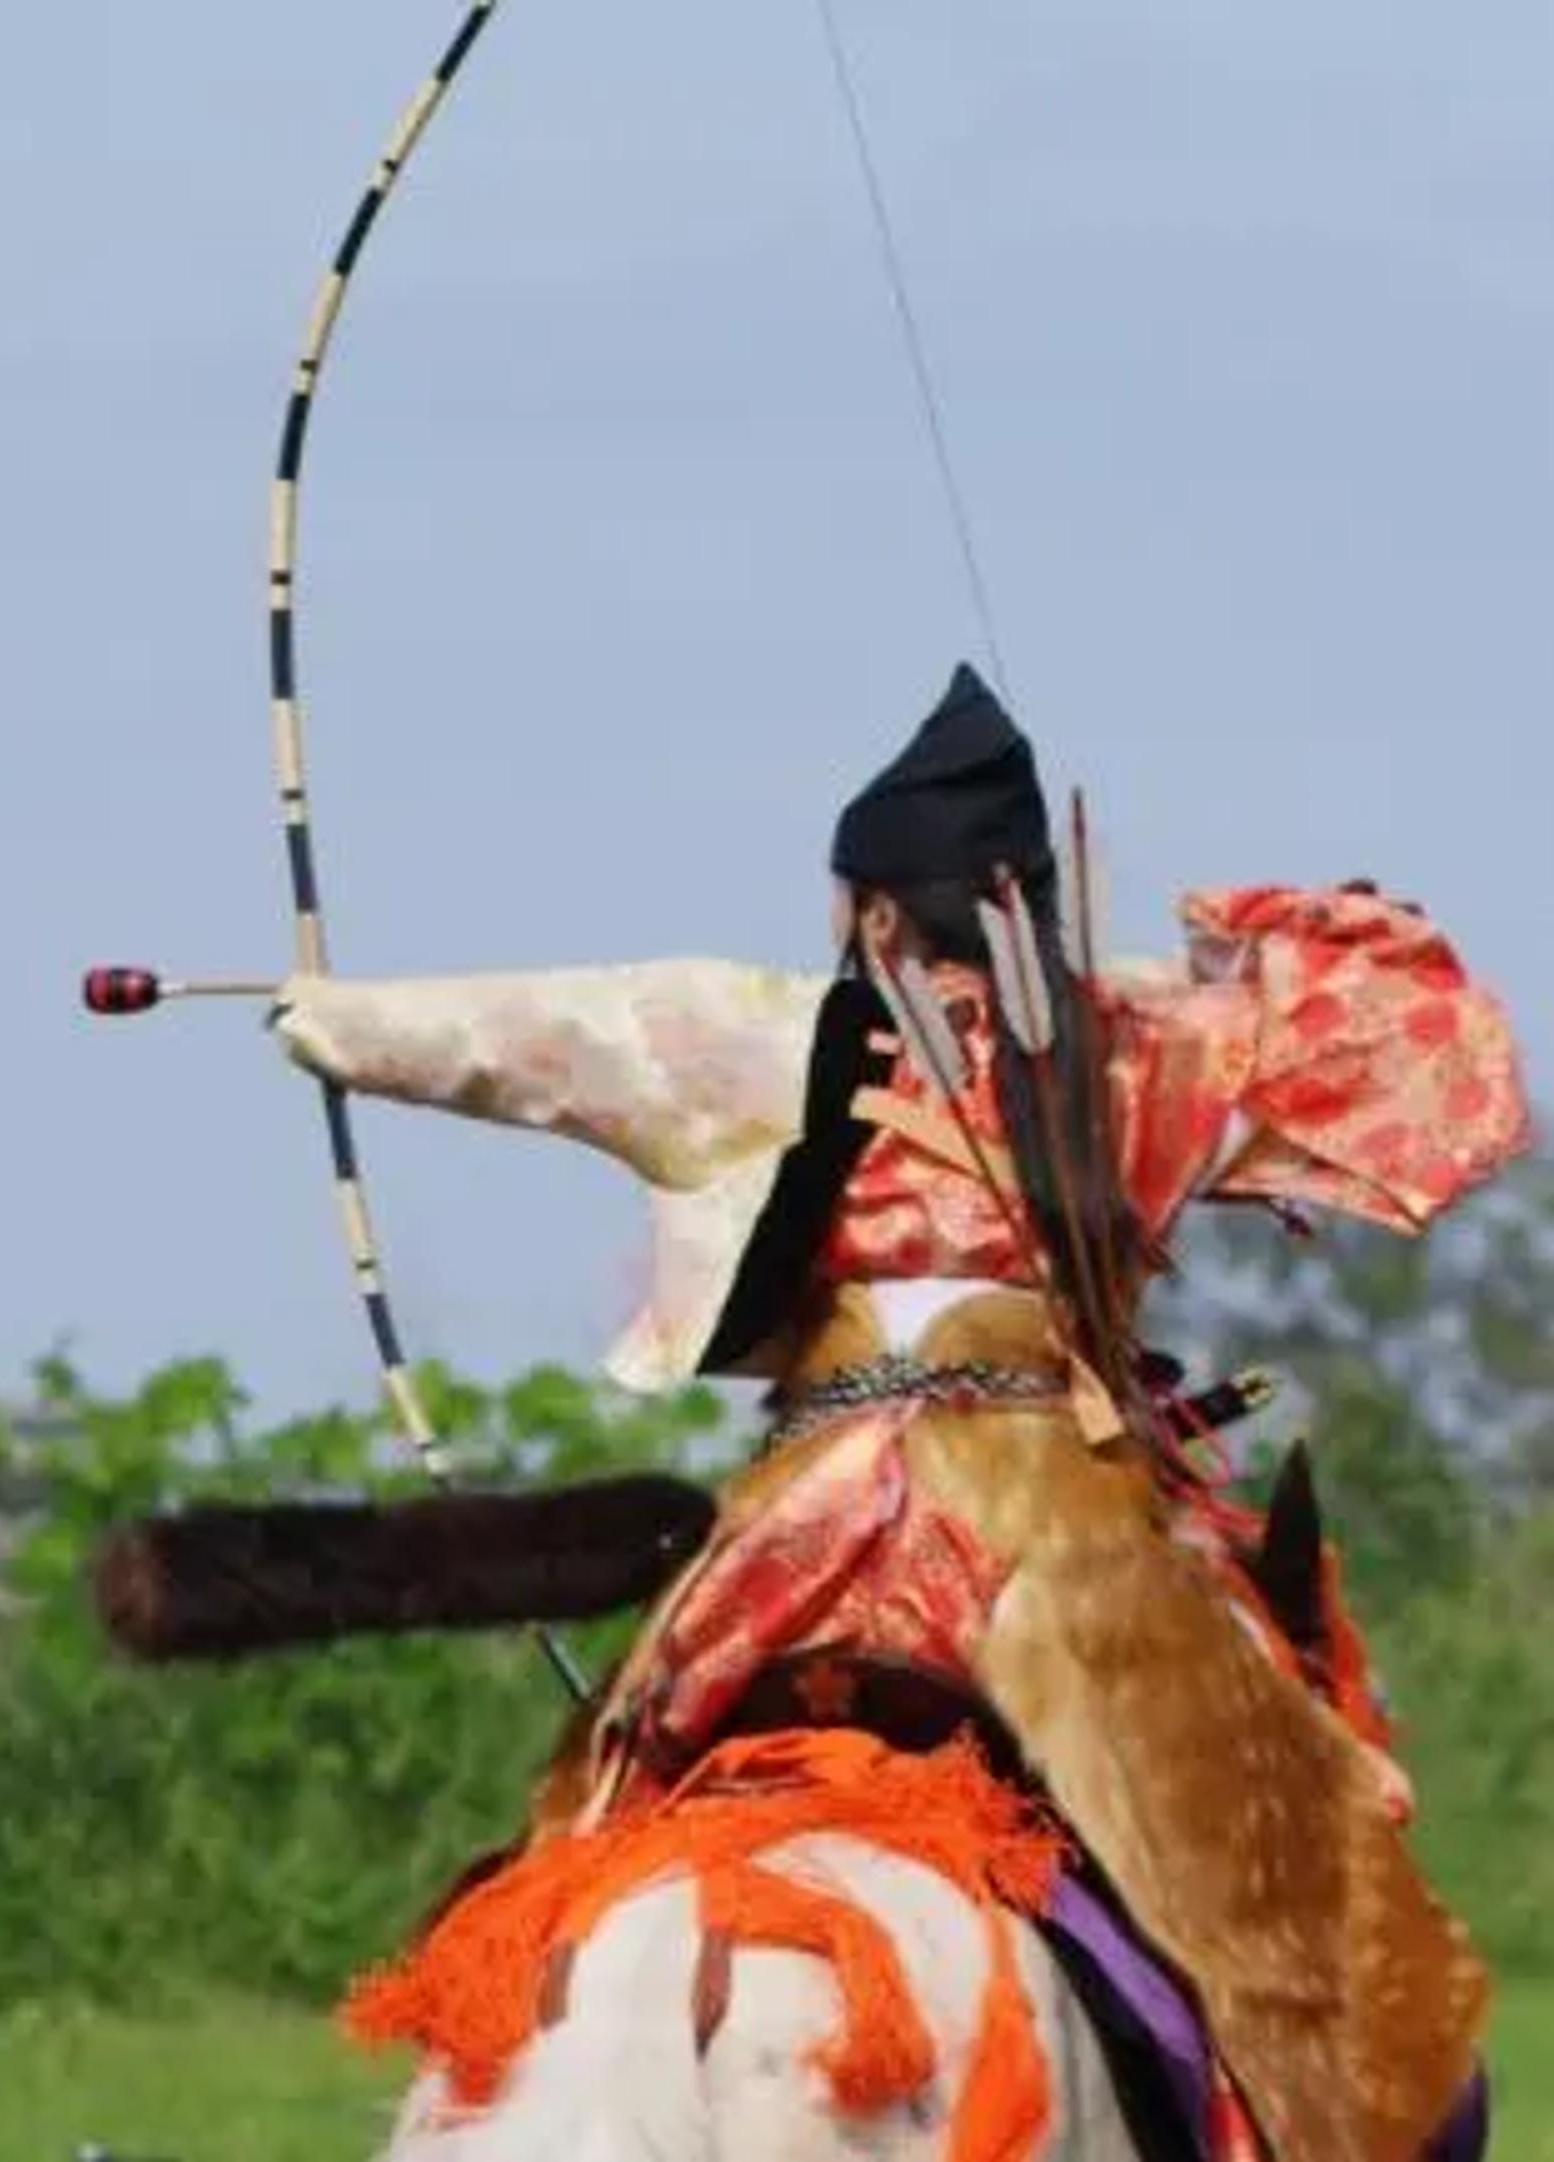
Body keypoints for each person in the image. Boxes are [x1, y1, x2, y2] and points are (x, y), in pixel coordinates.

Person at [261, 665, 1521, 2162]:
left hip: (798, 1564)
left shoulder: (759, 1034)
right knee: (1302, 1943)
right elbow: (1432, 1057)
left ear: (869, 915)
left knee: (608, 1826)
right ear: (1025, 900)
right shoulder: (1137, 1049)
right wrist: (1225, 944)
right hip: (1076, 1570)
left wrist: (325, 1017)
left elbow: (530, 1032)